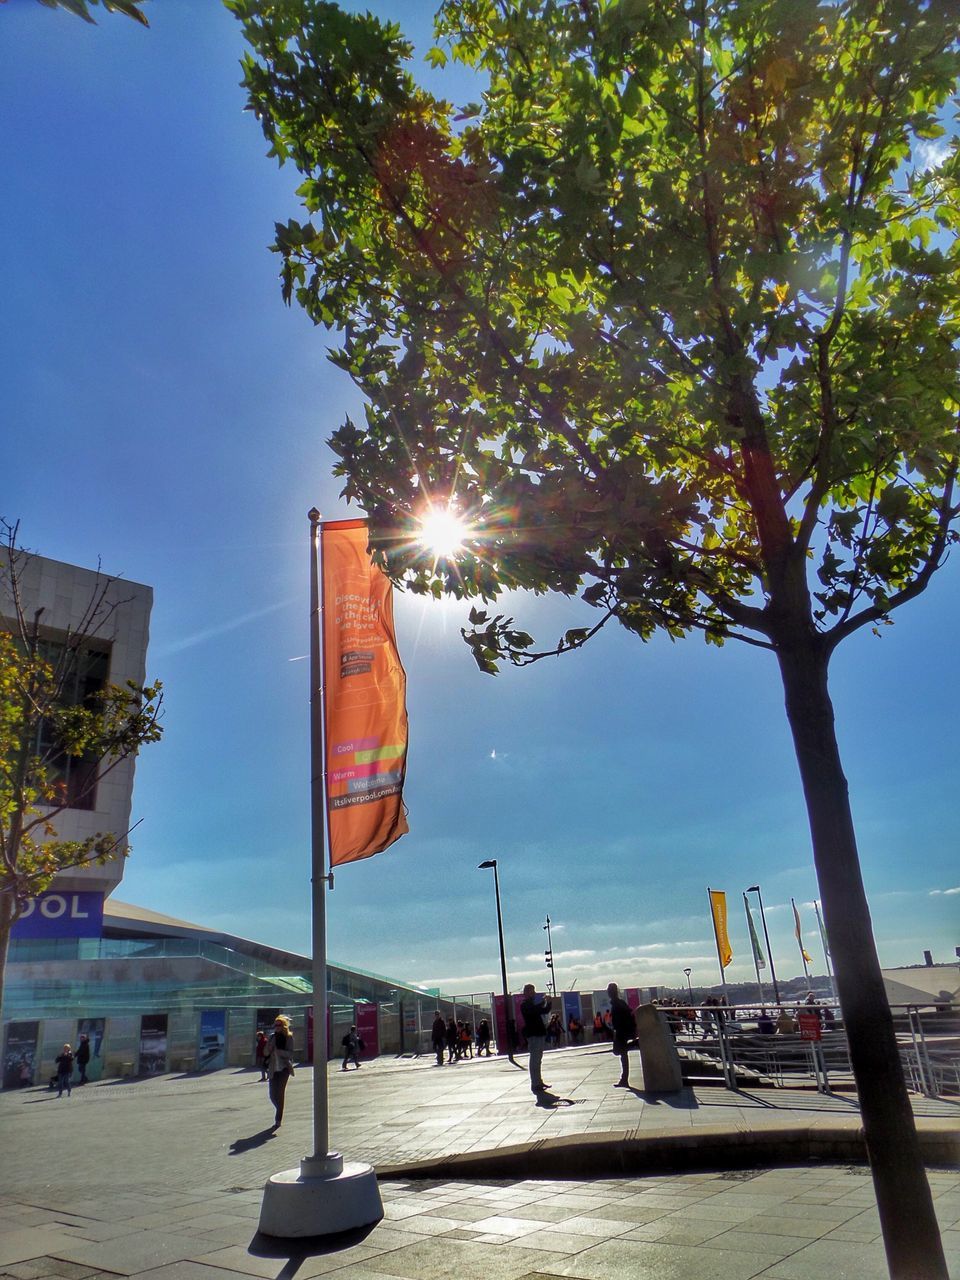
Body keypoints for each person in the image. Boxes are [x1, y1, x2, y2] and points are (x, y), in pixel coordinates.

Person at [519, 983, 550, 1093]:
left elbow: (544, 1010)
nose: (534, 993)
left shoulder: (531, 1004)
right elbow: (535, 1010)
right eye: (532, 991)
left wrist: (548, 1003)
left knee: (538, 1060)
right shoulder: (525, 1005)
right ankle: (535, 1083)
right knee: (535, 1060)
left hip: (539, 1033)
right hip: (533, 1034)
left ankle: (538, 1081)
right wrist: (543, 1002)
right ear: (526, 993)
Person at [265, 1015, 294, 1127]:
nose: (276, 1027)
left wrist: (279, 1052)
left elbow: (290, 1054)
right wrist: (269, 1048)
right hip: (273, 1068)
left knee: (280, 1093)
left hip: (284, 1068)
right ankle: (279, 1108)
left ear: (283, 1026)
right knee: (272, 1094)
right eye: (275, 1025)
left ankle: (278, 1119)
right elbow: (266, 1053)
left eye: (279, 1025)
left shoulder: (289, 1037)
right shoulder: (272, 1037)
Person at [607, 983, 636, 1088]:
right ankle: (624, 1079)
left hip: (621, 1032)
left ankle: (624, 1079)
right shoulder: (620, 1003)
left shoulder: (616, 1004)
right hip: (622, 1031)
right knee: (622, 1053)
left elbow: (619, 1019)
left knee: (620, 1052)